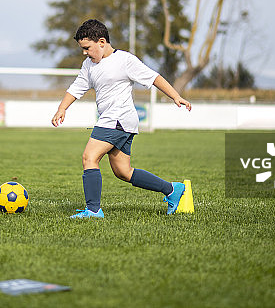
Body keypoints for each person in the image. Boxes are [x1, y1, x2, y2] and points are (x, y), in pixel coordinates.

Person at [51, 19, 192, 218]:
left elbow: (154, 77)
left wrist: (176, 96)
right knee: (123, 172)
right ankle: (172, 189)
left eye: (87, 48)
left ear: (101, 42)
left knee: (89, 157)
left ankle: (93, 210)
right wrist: (61, 108)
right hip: (119, 122)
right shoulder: (89, 65)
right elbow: (76, 88)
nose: (84, 53)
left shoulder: (124, 60)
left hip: (117, 119)